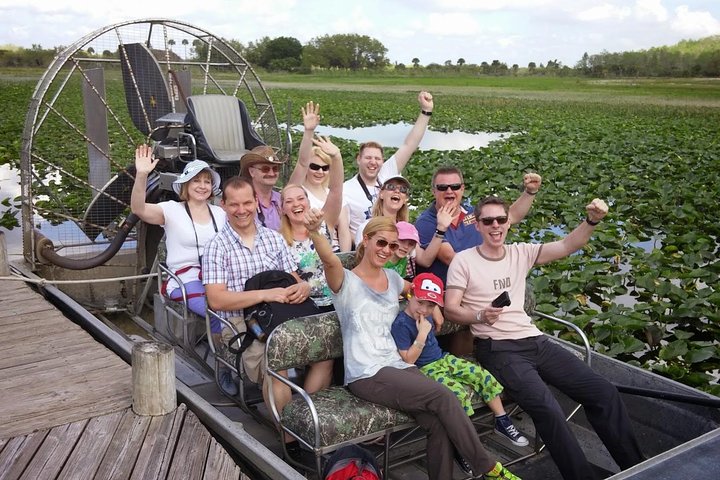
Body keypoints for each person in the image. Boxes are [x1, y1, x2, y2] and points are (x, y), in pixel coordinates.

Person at [304, 212, 520, 480]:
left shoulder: (393, 280)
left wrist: (436, 307)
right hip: (367, 373)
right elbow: (329, 259)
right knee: (444, 396)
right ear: (366, 240)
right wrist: (315, 232)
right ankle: (487, 467)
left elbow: (419, 291)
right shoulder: (345, 282)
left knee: (439, 425)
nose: (387, 250)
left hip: (400, 366)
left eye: (393, 246)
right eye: (381, 242)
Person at [444, 195, 644, 480]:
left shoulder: (521, 252)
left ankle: (637, 469)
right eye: (487, 221)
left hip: (535, 341)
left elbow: (568, 245)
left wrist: (592, 221)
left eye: (501, 219)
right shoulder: (464, 261)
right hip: (498, 349)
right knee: (549, 410)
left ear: (508, 222)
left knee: (603, 392)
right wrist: (479, 316)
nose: (495, 226)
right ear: (477, 225)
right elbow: (451, 309)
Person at [202, 177, 332, 450]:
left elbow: (293, 279)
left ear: (255, 204)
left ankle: (302, 420)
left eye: (247, 202)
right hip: (241, 320)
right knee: (277, 365)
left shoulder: (273, 239)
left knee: (326, 352)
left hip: (281, 311)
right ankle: (289, 441)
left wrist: (303, 288)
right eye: (234, 204)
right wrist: (264, 295)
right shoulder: (217, 246)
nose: (241, 210)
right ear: (223, 205)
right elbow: (216, 300)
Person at [130, 146, 232, 389]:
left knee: (243, 301)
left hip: (217, 275)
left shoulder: (220, 213)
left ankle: (246, 354)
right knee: (217, 310)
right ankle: (224, 366)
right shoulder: (171, 210)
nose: (203, 185)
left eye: (207, 181)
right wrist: (142, 174)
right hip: (184, 280)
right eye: (196, 180)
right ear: (185, 185)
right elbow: (138, 209)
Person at [391, 272, 529, 448]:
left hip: (443, 359)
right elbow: (408, 360)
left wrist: (436, 312)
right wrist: (422, 334)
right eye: (420, 302)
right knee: (457, 394)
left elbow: (432, 309)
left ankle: (502, 420)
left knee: (481, 375)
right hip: (424, 369)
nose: (424, 310)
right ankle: (463, 441)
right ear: (410, 295)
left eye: (430, 305)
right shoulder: (401, 325)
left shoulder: (429, 314)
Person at [415, 166, 542, 283]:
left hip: (482, 277)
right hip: (450, 289)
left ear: (462, 189)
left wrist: (530, 192)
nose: (449, 191)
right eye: (442, 187)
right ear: (433, 191)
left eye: (455, 186)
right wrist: (493, 276)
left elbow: (511, 216)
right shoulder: (426, 222)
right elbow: (450, 258)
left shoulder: (473, 212)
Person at [343, 91, 434, 239]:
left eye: (377, 158)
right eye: (368, 158)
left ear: (383, 161)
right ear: (358, 159)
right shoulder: (346, 190)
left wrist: (426, 111)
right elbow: (342, 229)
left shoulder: (387, 173)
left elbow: (409, 145)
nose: (373, 162)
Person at [280, 135, 345, 311]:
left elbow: (336, 190)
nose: (296, 204)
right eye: (289, 202)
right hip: (305, 306)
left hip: (337, 299)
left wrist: (336, 158)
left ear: (308, 202)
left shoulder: (325, 224)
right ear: (282, 209)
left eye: (301, 198)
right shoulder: (278, 240)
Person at [355, 175, 457, 276]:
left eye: (403, 189)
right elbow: (363, 264)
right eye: (391, 187)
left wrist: (441, 228)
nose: (397, 191)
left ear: (405, 199)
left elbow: (425, 260)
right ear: (381, 194)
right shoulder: (366, 227)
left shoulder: (408, 230)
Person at [288, 101, 352, 251]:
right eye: (315, 167)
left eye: (325, 168)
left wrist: (337, 157)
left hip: (330, 250)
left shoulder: (331, 199)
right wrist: (308, 131)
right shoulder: (298, 191)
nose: (320, 172)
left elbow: (337, 190)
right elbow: (302, 163)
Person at [240, 145, 286, 231]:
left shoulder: (282, 199)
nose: (272, 173)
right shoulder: (242, 202)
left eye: (275, 168)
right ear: (252, 172)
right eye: (265, 169)